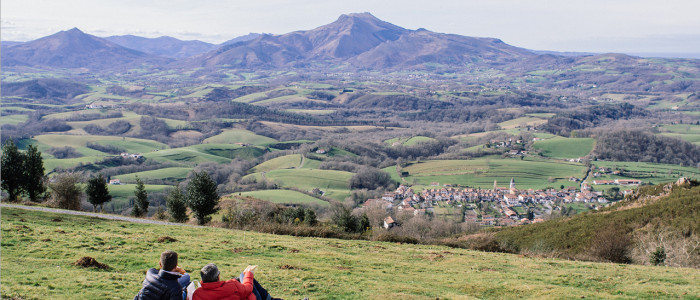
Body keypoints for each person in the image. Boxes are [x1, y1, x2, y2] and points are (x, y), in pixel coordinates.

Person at [192, 264, 275, 300]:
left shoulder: (197, 294)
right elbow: (249, 288)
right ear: (218, 276)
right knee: (244, 276)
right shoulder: (231, 285)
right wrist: (249, 273)